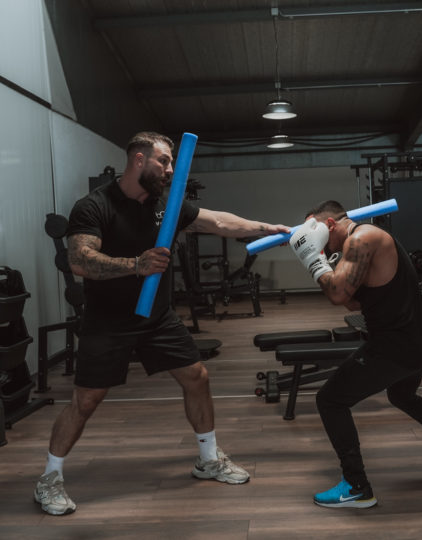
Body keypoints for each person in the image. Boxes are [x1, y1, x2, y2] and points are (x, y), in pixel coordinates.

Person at [34, 131, 289, 516]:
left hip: (156, 318)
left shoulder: (163, 203)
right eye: (164, 161)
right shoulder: (94, 205)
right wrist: (136, 265)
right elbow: (80, 260)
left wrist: (265, 228)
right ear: (138, 159)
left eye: (171, 161)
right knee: (86, 401)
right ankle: (49, 479)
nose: (170, 169)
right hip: (109, 321)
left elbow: (215, 221)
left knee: (197, 376)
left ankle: (207, 459)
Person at [288, 200, 422, 509]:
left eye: (313, 234)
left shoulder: (362, 239)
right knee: (403, 396)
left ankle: (357, 487)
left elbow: (338, 294)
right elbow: (353, 303)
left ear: (328, 226)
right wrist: (326, 263)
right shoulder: (356, 245)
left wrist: (313, 258)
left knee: (329, 400)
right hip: (417, 342)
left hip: (395, 347)